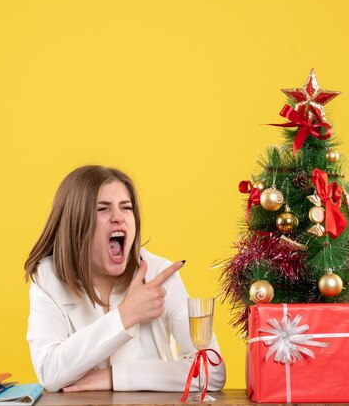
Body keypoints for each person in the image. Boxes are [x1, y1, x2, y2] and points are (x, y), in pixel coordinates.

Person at [24, 165, 226, 392]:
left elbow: (212, 371)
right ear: (75, 222)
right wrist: (125, 316)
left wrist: (115, 377)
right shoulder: (47, 278)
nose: (118, 217)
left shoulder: (160, 274)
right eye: (102, 209)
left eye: (126, 207)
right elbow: (49, 372)